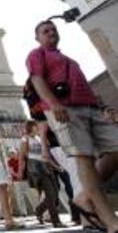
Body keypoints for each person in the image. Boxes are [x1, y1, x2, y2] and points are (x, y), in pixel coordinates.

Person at [26, 20, 118, 232]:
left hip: (91, 109)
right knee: (83, 158)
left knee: (114, 150)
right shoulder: (36, 55)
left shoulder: (69, 60)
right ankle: (110, 220)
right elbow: (37, 79)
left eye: (53, 29)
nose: (51, 33)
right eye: (45, 31)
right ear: (37, 37)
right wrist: (54, 103)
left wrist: (103, 108)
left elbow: (85, 86)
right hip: (65, 110)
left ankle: (84, 196)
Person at [18, 120, 65, 228]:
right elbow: (22, 156)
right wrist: (20, 171)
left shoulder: (40, 138)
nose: (38, 127)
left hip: (47, 167)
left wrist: (56, 167)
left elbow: (46, 156)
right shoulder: (26, 138)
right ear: (31, 127)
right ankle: (56, 221)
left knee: (55, 193)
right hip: (36, 168)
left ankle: (39, 210)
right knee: (50, 193)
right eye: (36, 126)